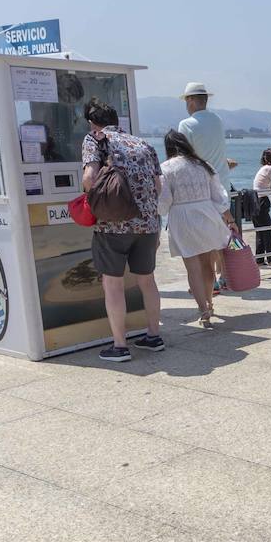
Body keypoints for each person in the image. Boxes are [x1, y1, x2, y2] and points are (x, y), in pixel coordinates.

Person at [80, 98, 164, 362]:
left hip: (113, 225)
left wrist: (90, 195)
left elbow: (89, 178)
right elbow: (159, 187)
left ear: (92, 122)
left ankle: (119, 346)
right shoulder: (143, 143)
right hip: (148, 223)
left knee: (113, 285)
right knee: (147, 280)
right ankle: (153, 336)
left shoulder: (95, 139)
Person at [158, 130, 239, 328]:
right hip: (206, 214)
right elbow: (219, 196)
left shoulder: (165, 168)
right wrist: (230, 219)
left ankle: (203, 309)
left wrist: (156, 211)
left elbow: (164, 203)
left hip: (182, 219)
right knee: (207, 265)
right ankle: (210, 302)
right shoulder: (204, 165)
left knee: (192, 268)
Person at [177, 83, 235, 191]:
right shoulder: (217, 120)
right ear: (206, 100)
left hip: (202, 189)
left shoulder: (186, 124)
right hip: (223, 186)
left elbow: (183, 159)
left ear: (190, 100)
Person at [251, 148, 271, 266]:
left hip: (254, 200)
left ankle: (260, 259)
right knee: (269, 232)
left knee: (261, 232)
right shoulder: (270, 168)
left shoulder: (263, 168)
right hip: (261, 201)